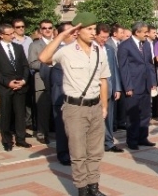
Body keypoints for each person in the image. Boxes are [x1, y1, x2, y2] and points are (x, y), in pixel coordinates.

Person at [38, 12, 110, 196]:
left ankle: (94, 187)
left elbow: (103, 80)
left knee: (95, 151)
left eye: (95, 28)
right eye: (89, 29)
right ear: (78, 31)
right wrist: (61, 35)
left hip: (95, 107)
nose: (94, 32)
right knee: (78, 153)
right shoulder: (66, 51)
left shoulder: (99, 50)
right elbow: (43, 58)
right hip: (75, 108)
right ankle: (82, 189)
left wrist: (104, 106)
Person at [0, 23, 32, 152]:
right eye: (9, 34)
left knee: (20, 114)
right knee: (6, 114)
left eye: (13, 33)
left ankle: (21, 139)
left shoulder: (18, 48)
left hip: (20, 86)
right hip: (5, 87)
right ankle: (7, 140)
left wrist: (23, 80)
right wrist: (8, 82)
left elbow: (25, 66)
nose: (13, 36)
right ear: (1, 35)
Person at [117, 22, 157, 150]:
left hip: (146, 84)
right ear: (137, 32)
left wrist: (153, 83)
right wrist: (127, 86)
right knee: (133, 115)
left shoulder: (146, 45)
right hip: (133, 85)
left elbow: (150, 65)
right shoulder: (125, 46)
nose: (147, 34)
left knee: (145, 113)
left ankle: (142, 137)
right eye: (145, 32)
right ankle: (132, 140)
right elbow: (123, 68)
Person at [49, 22, 75, 166]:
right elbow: (47, 72)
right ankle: (63, 153)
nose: (75, 33)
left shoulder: (78, 49)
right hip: (61, 94)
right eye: (71, 32)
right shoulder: (55, 51)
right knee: (62, 127)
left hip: (77, 97)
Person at [95, 24, 124, 153]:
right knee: (96, 118)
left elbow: (114, 69)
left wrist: (117, 88)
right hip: (94, 90)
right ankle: (96, 144)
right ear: (96, 35)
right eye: (102, 37)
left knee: (109, 117)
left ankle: (109, 142)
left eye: (106, 37)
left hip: (109, 88)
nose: (104, 40)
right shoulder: (90, 49)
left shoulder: (109, 49)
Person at [27, 19, 55, 144]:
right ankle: (42, 133)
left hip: (57, 80)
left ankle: (55, 131)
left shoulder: (57, 43)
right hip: (42, 81)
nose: (47, 30)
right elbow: (33, 63)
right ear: (40, 30)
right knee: (43, 109)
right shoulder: (35, 45)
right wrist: (50, 62)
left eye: (49, 27)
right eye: (44, 28)